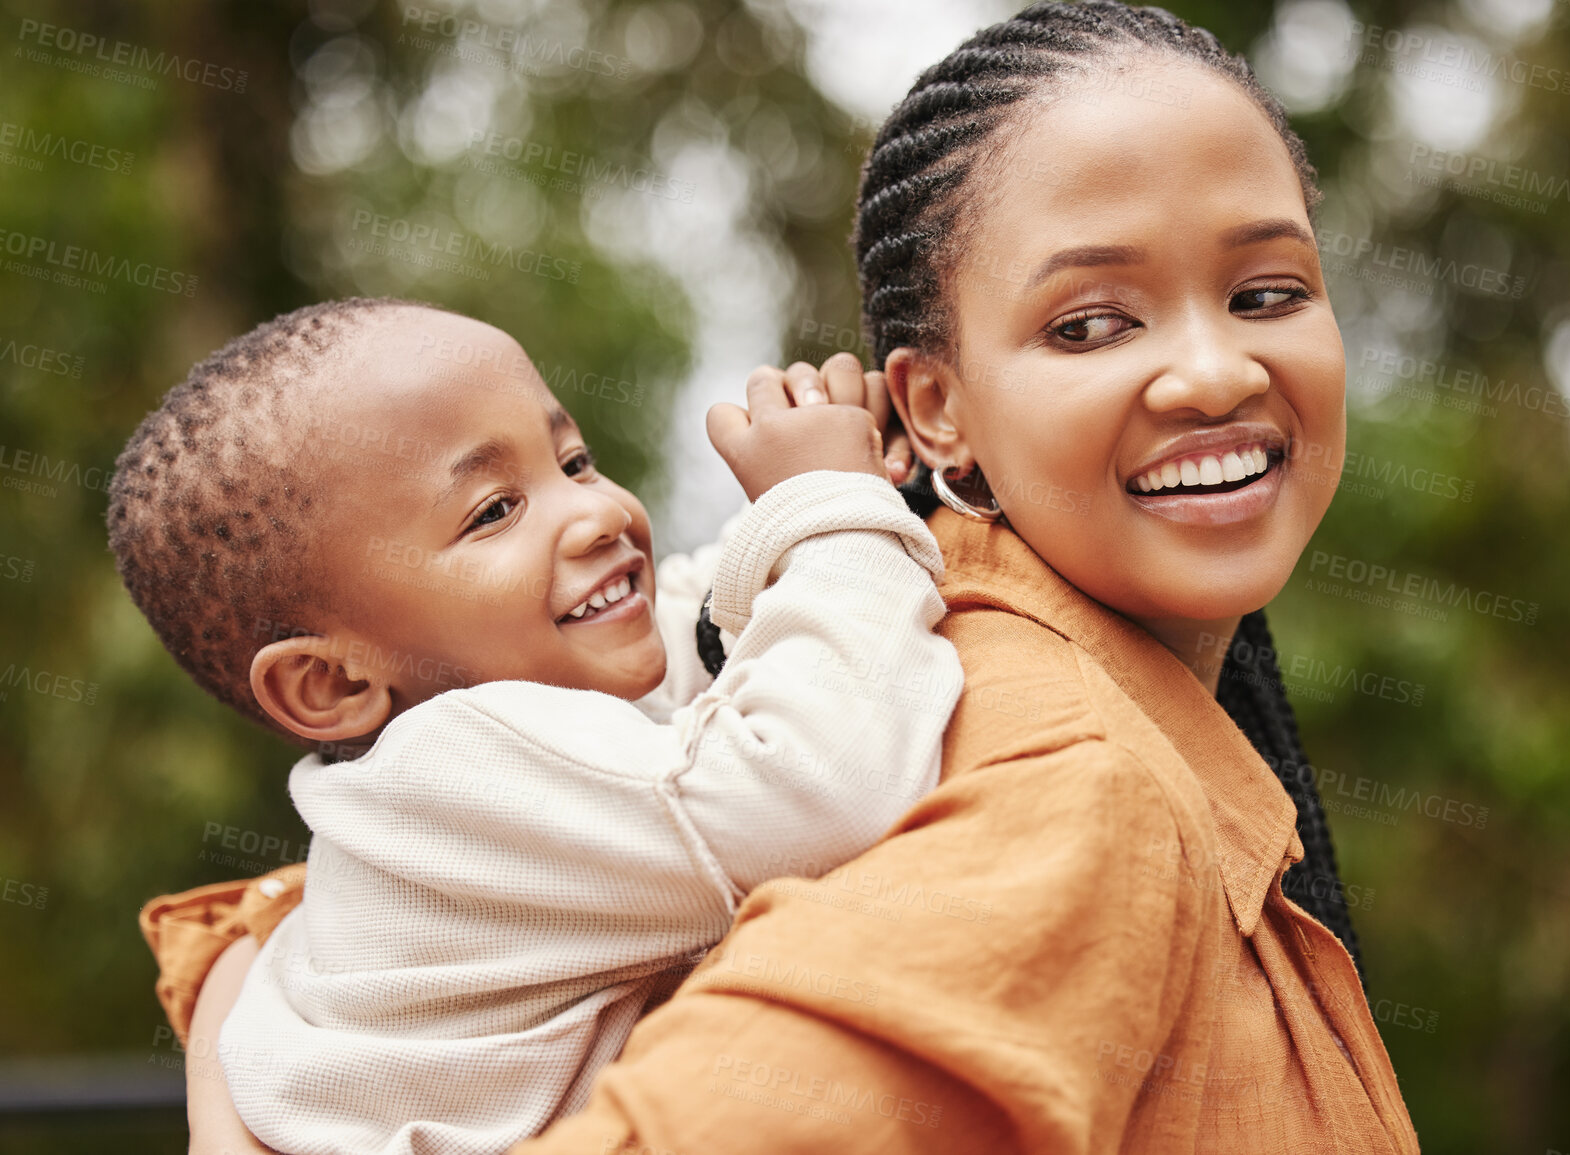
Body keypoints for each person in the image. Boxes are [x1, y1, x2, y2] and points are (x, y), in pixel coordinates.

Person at [162, 3, 1421, 1151]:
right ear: (932, 405)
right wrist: (832, 507)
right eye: (1088, 323)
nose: (1214, 374)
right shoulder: (1067, 787)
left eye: (1269, 291)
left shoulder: (1006, 694)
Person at [109, 298, 962, 1154]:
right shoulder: (454, 772)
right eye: (493, 511)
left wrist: (831, 483)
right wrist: (832, 508)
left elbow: (704, 615)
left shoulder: (546, 674)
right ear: (332, 681)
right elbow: (820, 787)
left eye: (575, 460)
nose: (595, 513)